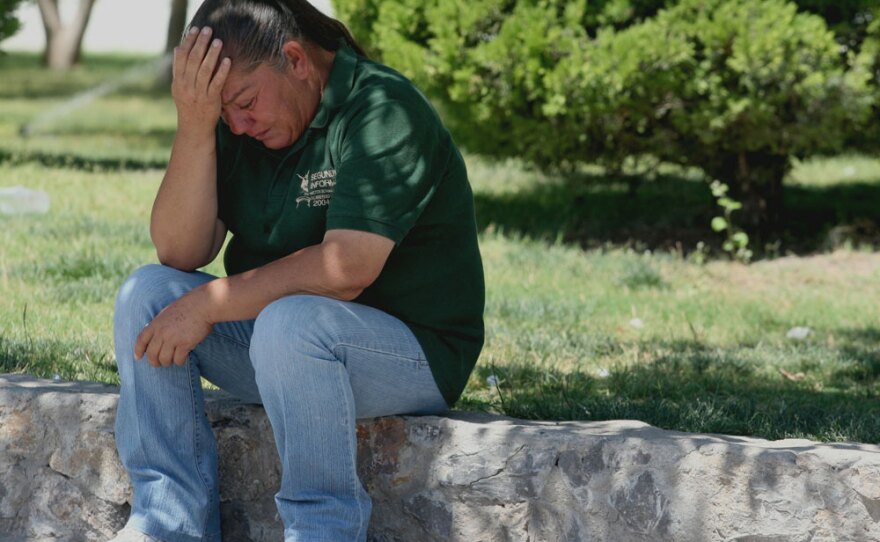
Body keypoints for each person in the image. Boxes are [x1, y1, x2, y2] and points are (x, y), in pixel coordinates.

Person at [110, 0, 485, 540]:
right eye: (222, 113)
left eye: (243, 102)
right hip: (283, 346)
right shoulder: (234, 124)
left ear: (296, 60)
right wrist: (195, 125)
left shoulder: (384, 109)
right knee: (145, 294)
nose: (237, 124)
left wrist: (206, 305)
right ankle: (167, 522)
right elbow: (178, 250)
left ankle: (321, 529)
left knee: (294, 321)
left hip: (410, 352)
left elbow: (345, 269)